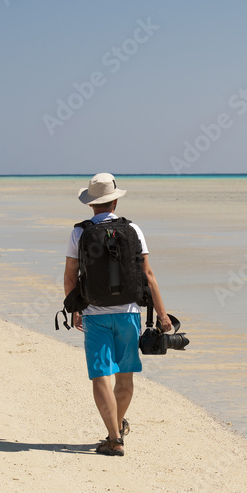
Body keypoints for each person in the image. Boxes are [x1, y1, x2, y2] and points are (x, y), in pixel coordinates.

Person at [64, 172, 173, 456]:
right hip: (129, 314)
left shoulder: (79, 232)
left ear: (91, 204)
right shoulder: (133, 230)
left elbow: (69, 277)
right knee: (125, 378)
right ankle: (117, 427)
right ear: (114, 202)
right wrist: (163, 317)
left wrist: (75, 308)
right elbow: (148, 275)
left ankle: (114, 438)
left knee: (101, 376)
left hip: (95, 315)